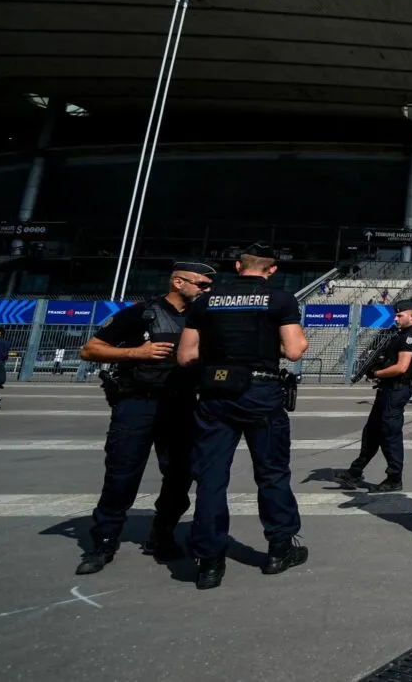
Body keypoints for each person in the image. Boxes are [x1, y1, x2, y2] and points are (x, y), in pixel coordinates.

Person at [177, 243, 310, 590]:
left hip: (215, 394)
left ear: (238, 266)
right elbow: (295, 351)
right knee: (271, 473)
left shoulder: (206, 302)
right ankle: (279, 549)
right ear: (273, 269)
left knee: (211, 479)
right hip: (260, 393)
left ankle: (209, 563)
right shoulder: (280, 300)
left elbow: (186, 356)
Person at [75, 261, 216, 576]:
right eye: (202, 285)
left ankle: (162, 534)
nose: (207, 290)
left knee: (181, 476)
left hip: (182, 406)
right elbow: (90, 350)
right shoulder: (142, 313)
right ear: (178, 282)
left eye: (209, 286)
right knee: (121, 475)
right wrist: (135, 353)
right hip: (137, 403)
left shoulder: (203, 318)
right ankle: (104, 542)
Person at [335, 300, 412, 492]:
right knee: (372, 431)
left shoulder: (411, 336)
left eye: (400, 315)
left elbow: (402, 367)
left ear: (411, 315)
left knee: (390, 434)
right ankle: (355, 472)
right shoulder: (402, 334)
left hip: (396, 389)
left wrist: (376, 373)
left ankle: (394, 478)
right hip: (388, 389)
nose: (396, 318)